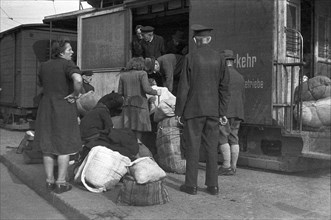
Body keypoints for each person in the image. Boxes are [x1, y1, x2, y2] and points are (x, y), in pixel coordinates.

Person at [175, 24, 230, 196]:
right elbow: (224, 87)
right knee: (212, 147)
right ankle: (213, 186)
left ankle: (191, 186)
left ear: (194, 40)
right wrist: (222, 112)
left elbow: (184, 87)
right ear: (210, 39)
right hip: (213, 111)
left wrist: (179, 112)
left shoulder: (190, 58)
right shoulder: (220, 59)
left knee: (193, 147)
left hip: (193, 110)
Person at [33, 40, 83, 194]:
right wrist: (75, 94)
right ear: (61, 52)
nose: (72, 52)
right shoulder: (67, 64)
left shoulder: (44, 66)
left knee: (47, 145)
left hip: (46, 107)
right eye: (69, 49)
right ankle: (61, 182)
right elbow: (78, 79)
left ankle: (49, 181)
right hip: (63, 107)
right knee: (64, 145)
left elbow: (40, 84)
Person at [79, 92, 139, 161]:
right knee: (124, 135)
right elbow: (110, 129)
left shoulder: (97, 108)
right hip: (92, 136)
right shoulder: (103, 111)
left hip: (86, 136)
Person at [117, 57, 161, 140]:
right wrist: (156, 92)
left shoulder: (123, 75)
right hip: (140, 105)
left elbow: (120, 93)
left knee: (129, 130)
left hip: (127, 106)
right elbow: (147, 89)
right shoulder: (142, 74)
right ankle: (138, 147)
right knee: (139, 132)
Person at [218, 49, 245, 176]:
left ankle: (226, 166)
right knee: (234, 138)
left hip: (225, 112)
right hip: (238, 112)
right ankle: (234, 166)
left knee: (223, 137)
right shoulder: (240, 76)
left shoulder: (222, 76)